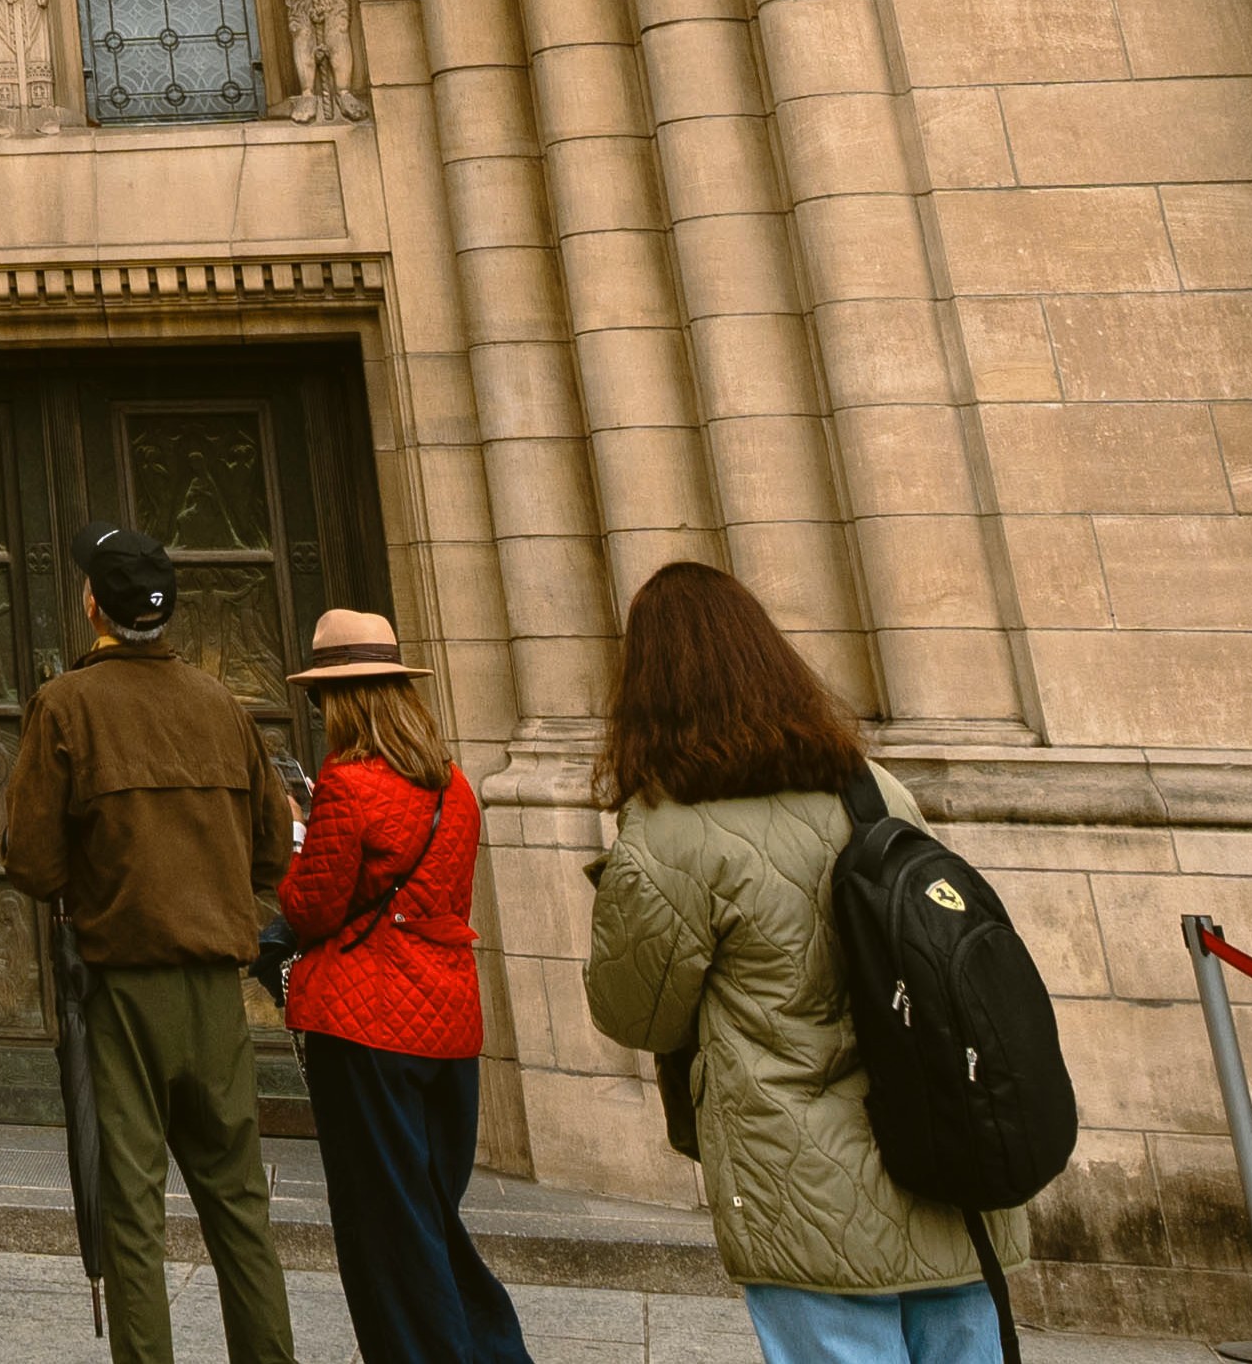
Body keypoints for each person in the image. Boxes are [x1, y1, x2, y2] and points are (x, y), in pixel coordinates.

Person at [586, 565, 1023, 1364]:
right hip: (939, 1150)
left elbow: (634, 1015)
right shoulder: (875, 787)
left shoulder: (666, 831)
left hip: (799, 1182)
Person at [0, 524, 295, 1364]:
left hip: (123, 981)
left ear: (92, 604)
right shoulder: (219, 703)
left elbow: (31, 860)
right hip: (214, 983)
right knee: (239, 1202)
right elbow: (273, 850)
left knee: (134, 1209)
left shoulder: (67, 705)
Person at [281, 609, 524, 1364]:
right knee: (431, 1214)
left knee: (384, 1229)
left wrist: (300, 828)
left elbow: (308, 907)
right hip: (448, 1020)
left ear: (339, 702)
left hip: (365, 1027)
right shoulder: (454, 785)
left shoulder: (348, 786)